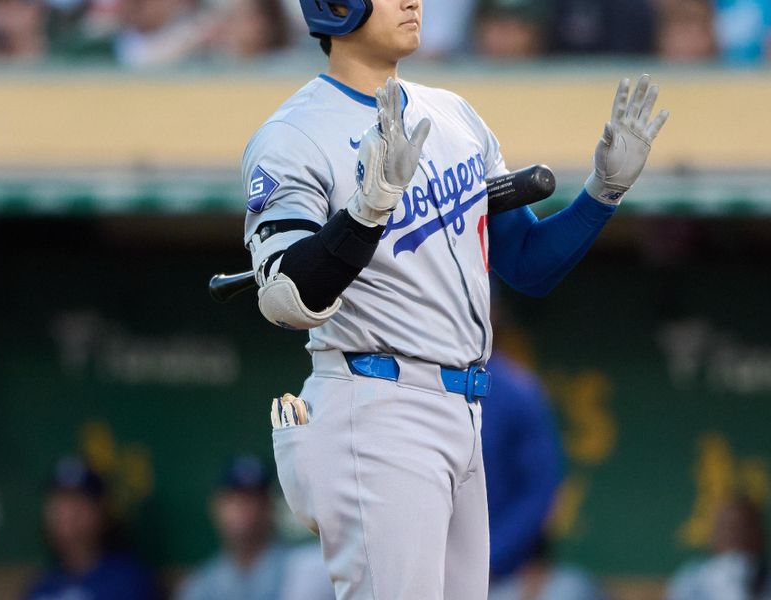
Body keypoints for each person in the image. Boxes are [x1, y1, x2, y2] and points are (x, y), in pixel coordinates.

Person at [241, 0, 669, 597]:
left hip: (462, 408)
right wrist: (366, 211)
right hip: (373, 402)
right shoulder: (293, 134)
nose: (414, 2)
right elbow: (285, 294)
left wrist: (603, 193)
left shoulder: (455, 114)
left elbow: (524, 264)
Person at [176, 455, 334, 600]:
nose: (242, 508)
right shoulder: (200, 586)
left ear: (270, 506)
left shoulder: (312, 569)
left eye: (253, 498)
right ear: (215, 506)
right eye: (233, 498)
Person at [23, 456, 158, 600]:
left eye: (77, 502)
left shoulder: (128, 581)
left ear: (101, 512)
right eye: (59, 503)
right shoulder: (44, 584)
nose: (67, 514)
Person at [482, 349, 563, 582]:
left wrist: (490, 558)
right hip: (424, 565)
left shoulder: (512, 388)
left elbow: (540, 490)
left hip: (506, 572)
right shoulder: (398, 381)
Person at [667, 496, 771, 600]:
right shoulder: (691, 581)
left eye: (744, 528)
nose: (736, 536)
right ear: (714, 536)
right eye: (728, 529)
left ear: (760, 534)